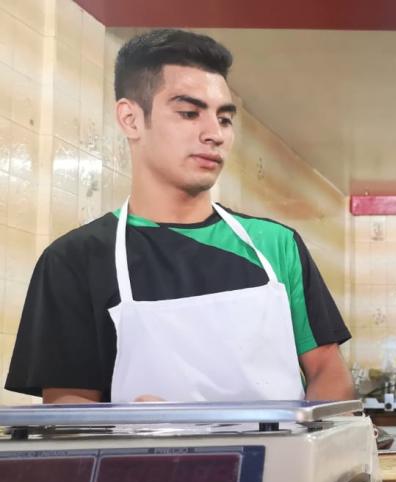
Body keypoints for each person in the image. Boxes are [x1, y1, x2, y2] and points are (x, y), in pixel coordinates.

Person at [5, 29, 354, 405]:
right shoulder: (75, 259)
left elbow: (327, 372)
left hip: (280, 463)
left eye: (224, 119)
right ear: (131, 118)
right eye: (189, 113)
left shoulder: (277, 245)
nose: (214, 134)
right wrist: (130, 428)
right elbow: (67, 404)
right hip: (142, 464)